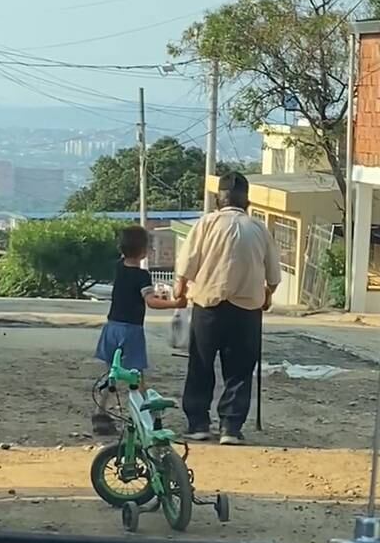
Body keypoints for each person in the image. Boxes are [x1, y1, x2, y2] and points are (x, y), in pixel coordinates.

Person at [175, 171, 281, 445]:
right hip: (246, 311)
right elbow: (273, 276)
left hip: (208, 307)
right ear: (247, 202)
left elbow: (186, 265)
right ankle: (230, 428)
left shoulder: (206, 224)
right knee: (240, 370)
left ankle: (199, 424)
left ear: (217, 200)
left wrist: (180, 291)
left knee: (201, 365)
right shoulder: (259, 229)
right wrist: (267, 296)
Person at [90, 225, 186, 435]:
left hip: (112, 327)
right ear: (143, 251)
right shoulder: (142, 276)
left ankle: (100, 412)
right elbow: (151, 301)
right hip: (131, 331)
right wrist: (175, 304)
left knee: (111, 372)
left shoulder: (118, 267)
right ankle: (146, 416)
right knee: (137, 376)